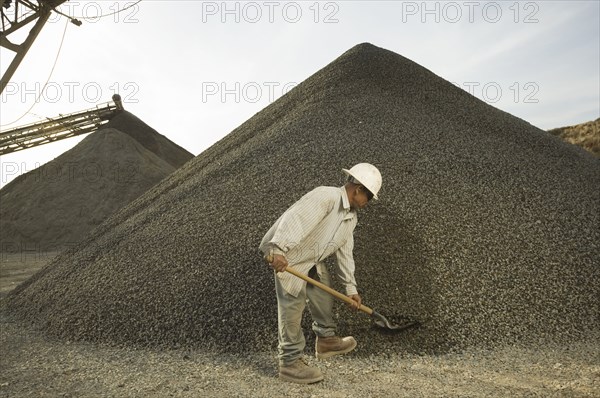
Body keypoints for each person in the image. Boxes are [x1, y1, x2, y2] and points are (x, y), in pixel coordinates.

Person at [259, 163, 382, 384]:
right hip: (288, 258)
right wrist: (278, 249)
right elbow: (295, 219)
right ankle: (289, 362)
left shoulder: (351, 218)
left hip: (310, 260)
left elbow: (345, 253)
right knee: (292, 305)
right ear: (358, 189)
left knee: (322, 294)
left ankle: (326, 341)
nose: (368, 203)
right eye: (369, 197)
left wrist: (350, 289)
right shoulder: (327, 196)